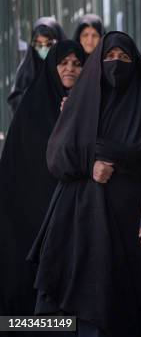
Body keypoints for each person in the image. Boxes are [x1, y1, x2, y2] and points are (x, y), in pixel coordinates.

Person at [28, 31, 141, 337]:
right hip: (78, 214)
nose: (116, 64)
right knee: (77, 293)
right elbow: (56, 155)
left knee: (121, 296)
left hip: (128, 218)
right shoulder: (81, 105)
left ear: (135, 64)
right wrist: (88, 165)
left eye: (124, 58)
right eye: (109, 57)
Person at [0, 40, 86, 319]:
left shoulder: (93, 105)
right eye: (63, 63)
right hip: (35, 211)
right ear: (53, 66)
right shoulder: (32, 106)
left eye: (76, 63)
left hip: (76, 210)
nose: (70, 69)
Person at [8, 17, 67, 113]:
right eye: (39, 45)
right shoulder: (27, 69)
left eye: (49, 44)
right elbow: (15, 100)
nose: (44, 49)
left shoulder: (70, 65)